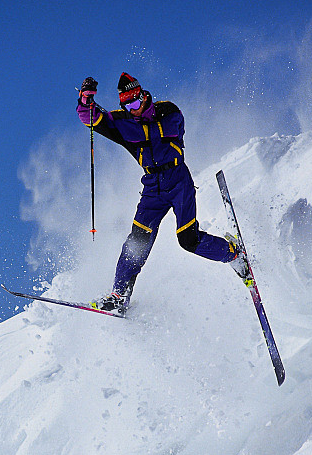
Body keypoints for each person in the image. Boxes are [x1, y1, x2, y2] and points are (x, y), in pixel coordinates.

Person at [77, 73, 248, 313]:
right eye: (126, 106)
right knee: (137, 240)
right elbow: (92, 119)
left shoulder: (168, 111)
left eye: (135, 104)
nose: (132, 110)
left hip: (178, 180)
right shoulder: (122, 122)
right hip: (152, 187)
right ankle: (120, 295)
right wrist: (86, 101)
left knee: (188, 240)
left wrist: (143, 128)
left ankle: (233, 253)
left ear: (142, 96)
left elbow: (172, 130)